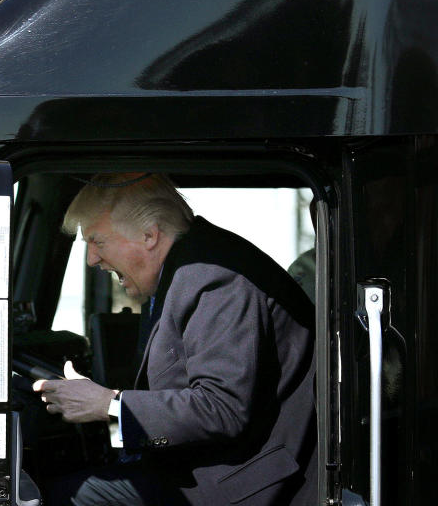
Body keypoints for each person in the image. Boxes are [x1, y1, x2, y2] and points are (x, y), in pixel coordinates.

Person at [34, 173, 317, 505]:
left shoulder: (212, 276)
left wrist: (108, 404)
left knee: (62, 497)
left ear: (149, 235)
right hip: (205, 468)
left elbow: (222, 408)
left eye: (97, 241)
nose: (92, 259)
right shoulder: (183, 269)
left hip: (240, 484)